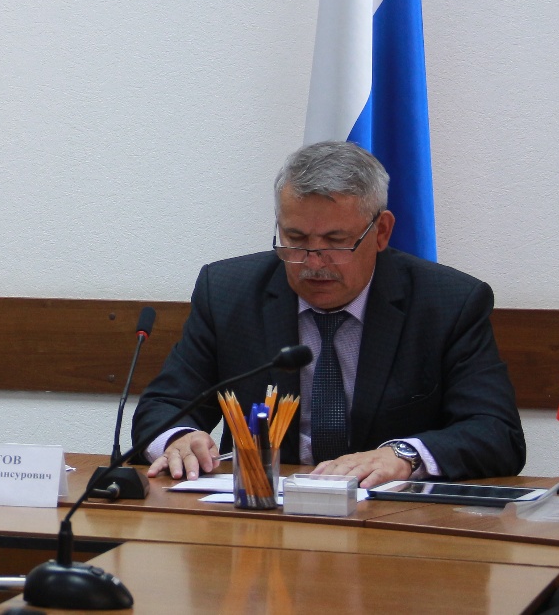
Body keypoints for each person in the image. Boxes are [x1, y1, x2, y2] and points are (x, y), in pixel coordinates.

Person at [131, 141, 524, 488]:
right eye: (296, 239)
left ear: (381, 232)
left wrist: (404, 455)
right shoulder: (228, 293)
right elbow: (163, 406)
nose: (313, 262)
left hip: (389, 519)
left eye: (336, 241)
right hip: (265, 516)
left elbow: (496, 432)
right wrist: (178, 439)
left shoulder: (447, 303)